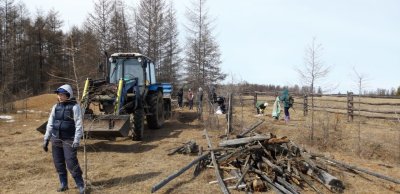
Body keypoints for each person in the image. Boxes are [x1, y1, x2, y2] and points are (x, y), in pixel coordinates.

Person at [43, 84, 85, 193]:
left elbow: (79, 124)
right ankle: (63, 184)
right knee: (58, 163)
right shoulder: (55, 107)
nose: (59, 97)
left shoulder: (75, 107)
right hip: (56, 139)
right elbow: (50, 123)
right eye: (58, 94)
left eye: (62, 94)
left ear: (68, 95)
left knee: (71, 162)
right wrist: (46, 139)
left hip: (69, 139)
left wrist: (76, 140)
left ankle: (80, 185)